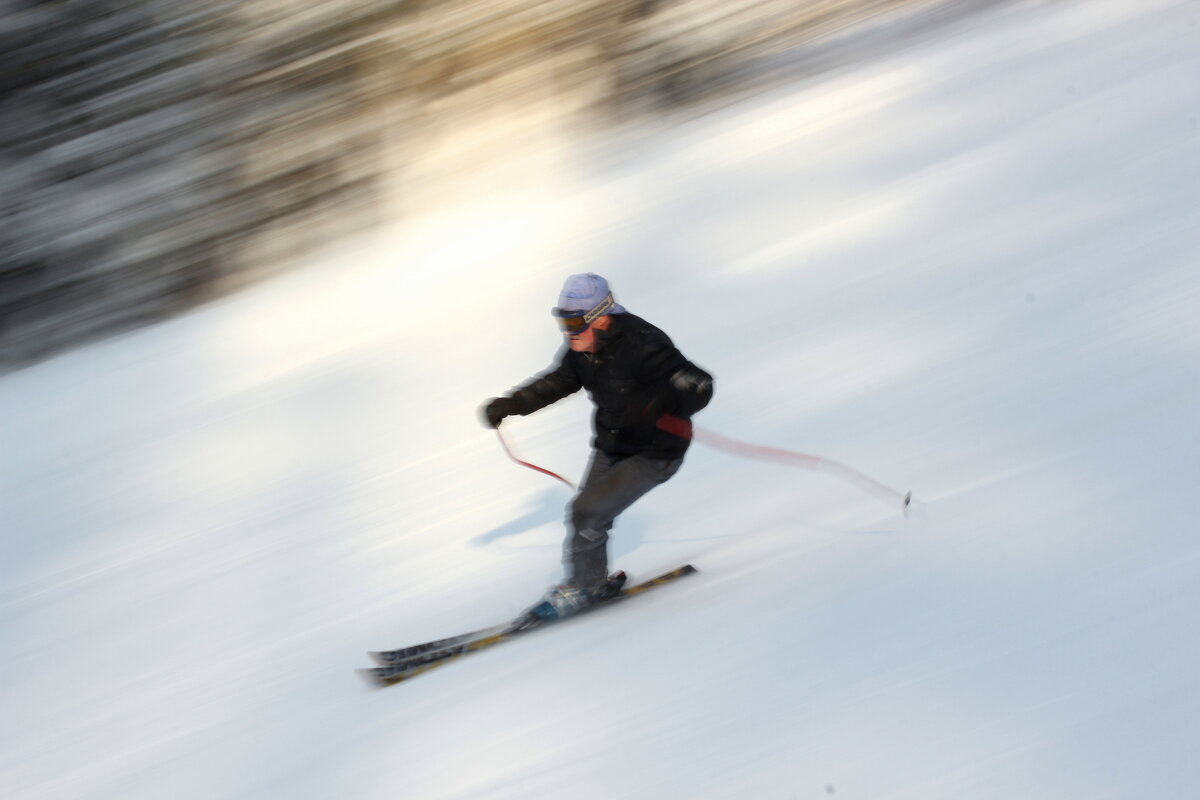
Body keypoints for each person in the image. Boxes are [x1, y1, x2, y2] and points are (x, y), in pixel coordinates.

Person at [480, 273, 713, 620]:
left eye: (574, 321)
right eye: (563, 320)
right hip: (612, 444)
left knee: (588, 511)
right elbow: (559, 381)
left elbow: (699, 385)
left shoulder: (643, 342)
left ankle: (583, 588)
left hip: (654, 451)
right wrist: (511, 403)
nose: (567, 330)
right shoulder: (581, 349)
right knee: (584, 513)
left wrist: (670, 398)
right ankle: (592, 582)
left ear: (601, 316)